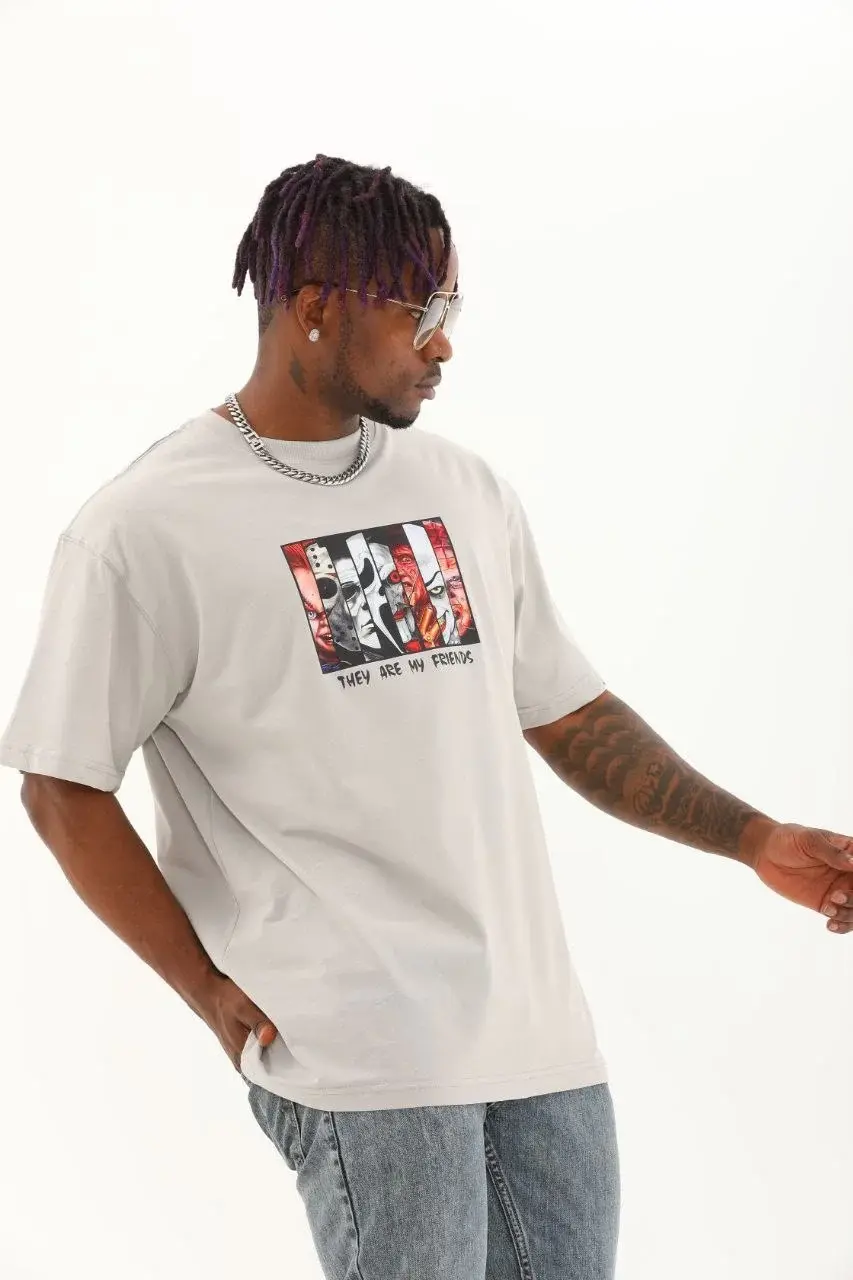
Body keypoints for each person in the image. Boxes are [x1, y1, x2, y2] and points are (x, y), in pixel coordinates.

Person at [2, 153, 851, 1280]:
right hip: (360, 1059)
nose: (443, 343)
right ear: (316, 307)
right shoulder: (146, 527)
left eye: (450, 309)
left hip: (540, 1043)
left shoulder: (462, 489)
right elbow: (62, 783)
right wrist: (203, 988)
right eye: (420, 311)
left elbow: (566, 712)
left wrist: (753, 838)